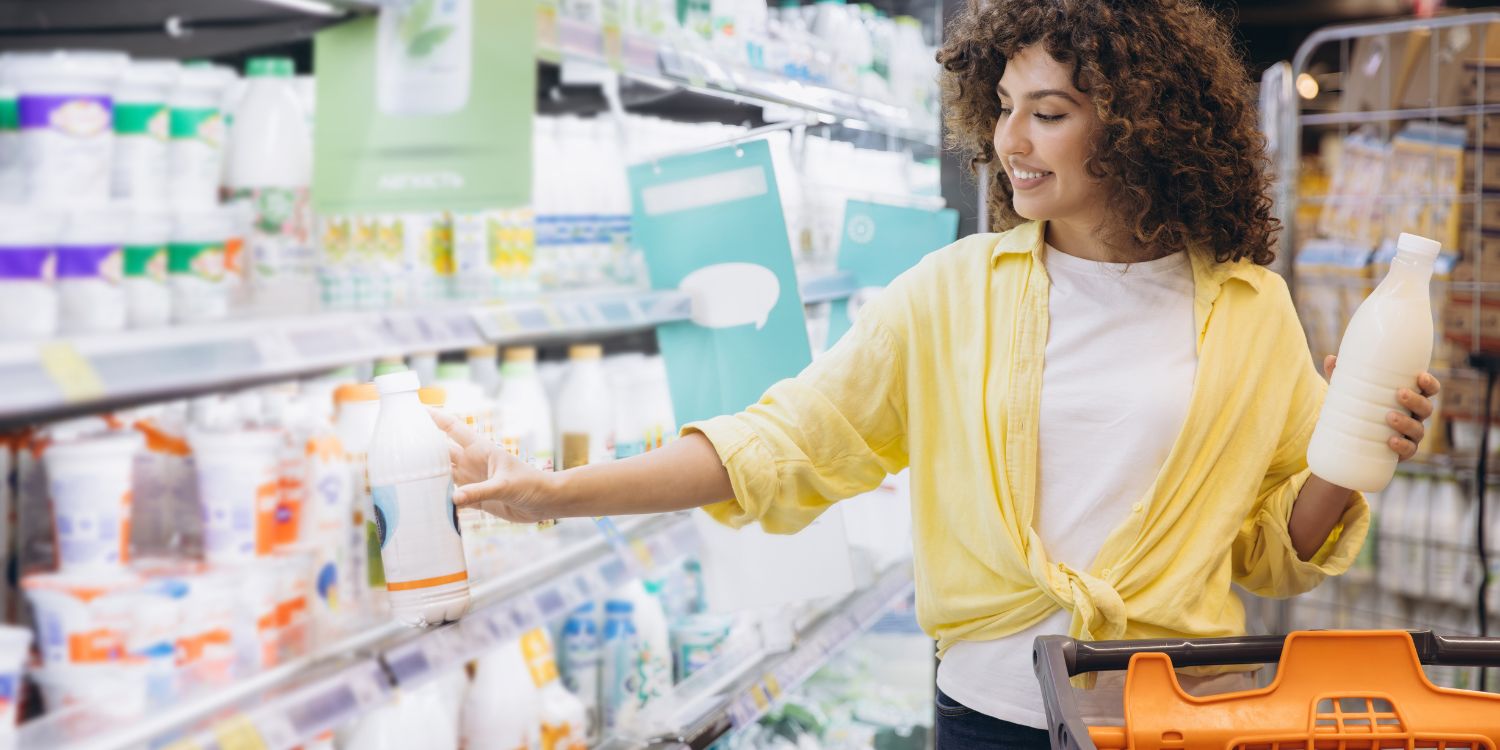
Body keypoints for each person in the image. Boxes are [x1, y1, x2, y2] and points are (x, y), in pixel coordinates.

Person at [432, 1, 1442, 746]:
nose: (1008, 142)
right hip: (989, 717)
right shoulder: (951, 294)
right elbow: (779, 445)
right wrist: (551, 493)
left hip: (1172, 717)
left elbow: (1272, 549)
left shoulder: (1248, 311)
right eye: (1003, 108)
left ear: (1138, 125)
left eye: (1048, 113)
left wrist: (1357, 452)